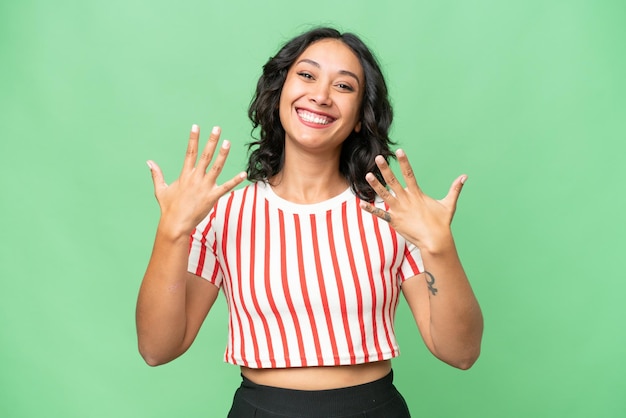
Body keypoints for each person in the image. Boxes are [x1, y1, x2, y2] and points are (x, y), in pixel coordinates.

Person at [136, 27, 483, 418]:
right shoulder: (223, 214)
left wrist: (440, 247)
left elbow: (461, 354)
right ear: (279, 91)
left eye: (344, 86)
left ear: (358, 118)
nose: (321, 95)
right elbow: (157, 349)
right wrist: (171, 232)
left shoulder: (394, 214)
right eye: (307, 75)